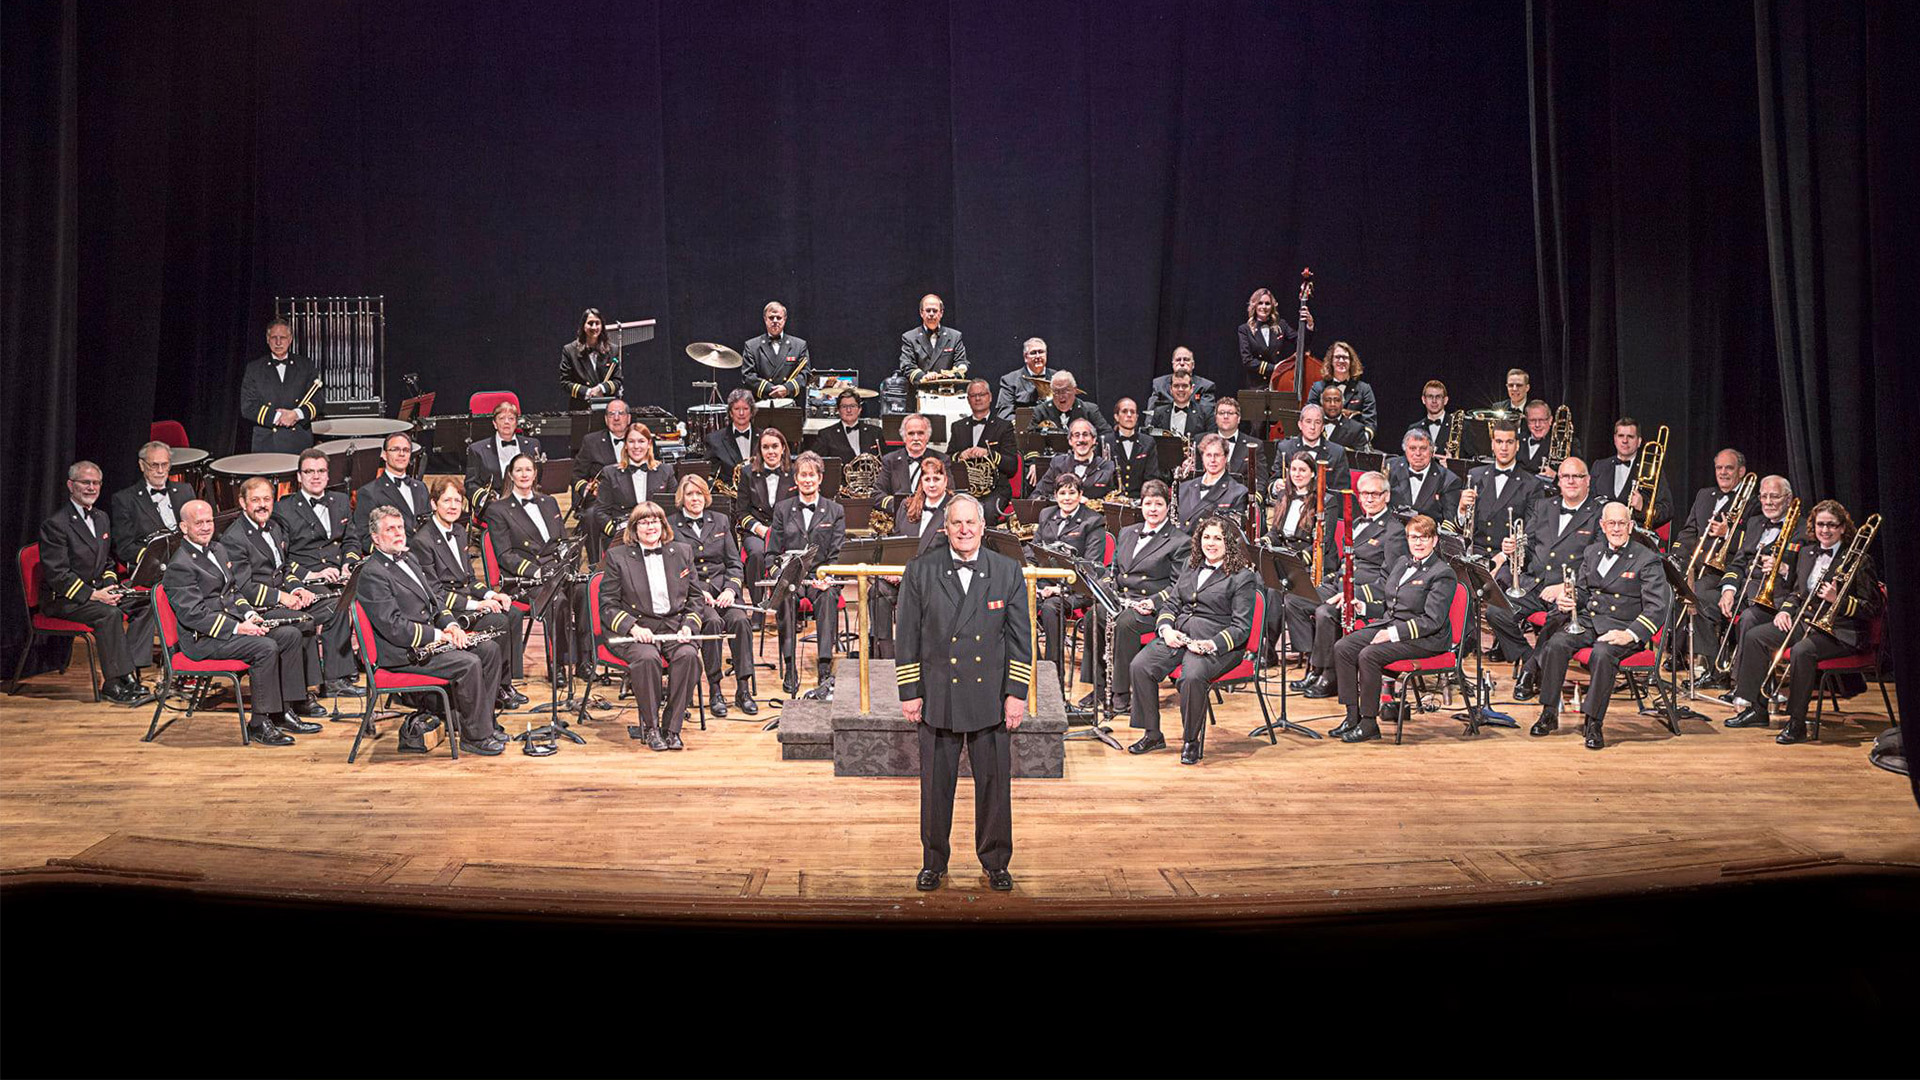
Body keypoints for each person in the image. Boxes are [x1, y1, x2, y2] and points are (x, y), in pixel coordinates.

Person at [896, 493, 1029, 891]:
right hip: (939, 694)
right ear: (946, 528)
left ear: (983, 527)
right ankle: (933, 861)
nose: (965, 529)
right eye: (957, 523)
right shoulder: (921, 570)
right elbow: (907, 636)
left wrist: (1017, 693)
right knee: (935, 788)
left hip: (991, 695)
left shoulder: (1007, 570)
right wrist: (909, 690)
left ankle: (996, 862)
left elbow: (1021, 640)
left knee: (994, 786)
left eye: (971, 523)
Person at [358, 504, 510, 755]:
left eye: (400, 527)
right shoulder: (372, 573)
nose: (398, 533)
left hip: (428, 641)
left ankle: (484, 722)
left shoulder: (408, 558)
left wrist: (451, 625)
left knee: (490, 650)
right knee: (469, 663)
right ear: (375, 538)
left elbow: (435, 600)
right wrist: (440, 635)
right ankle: (475, 737)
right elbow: (395, 627)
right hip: (403, 652)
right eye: (390, 529)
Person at [1726, 500, 1881, 744]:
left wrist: (1838, 600)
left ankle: (1796, 723)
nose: (1825, 530)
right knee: (1755, 636)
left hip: (1840, 631)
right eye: (1820, 524)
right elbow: (1797, 593)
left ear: (1843, 528)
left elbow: (1873, 607)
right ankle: (1757, 709)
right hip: (1806, 622)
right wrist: (1786, 611)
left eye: (1831, 525)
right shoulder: (1807, 553)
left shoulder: (1858, 560)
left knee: (1802, 651)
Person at [161, 500, 316, 744]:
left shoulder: (218, 549)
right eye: (199, 523)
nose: (206, 527)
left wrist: (249, 615)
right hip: (204, 639)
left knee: (290, 635)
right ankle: (259, 723)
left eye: (209, 521)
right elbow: (194, 615)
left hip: (231, 625)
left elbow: (233, 592)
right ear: (183, 527)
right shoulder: (180, 565)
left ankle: (284, 711)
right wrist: (238, 627)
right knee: (265, 647)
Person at [1526, 502, 1672, 750]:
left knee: (1602, 654)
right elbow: (1584, 592)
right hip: (1591, 621)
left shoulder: (1647, 559)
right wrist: (1569, 599)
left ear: (1631, 526)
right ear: (1602, 526)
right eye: (1611, 523)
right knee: (1556, 644)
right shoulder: (1592, 552)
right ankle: (1549, 712)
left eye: (1622, 523)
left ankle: (1593, 722)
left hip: (1622, 627)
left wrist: (1630, 634)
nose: (1616, 529)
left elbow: (1657, 607)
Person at [1126, 515, 1258, 763]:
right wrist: (1166, 629)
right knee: (1140, 666)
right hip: (1180, 635)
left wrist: (1211, 644)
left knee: (1192, 677)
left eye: (1218, 538)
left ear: (1228, 543)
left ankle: (1191, 740)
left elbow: (1241, 627)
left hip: (1217, 644)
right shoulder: (1191, 564)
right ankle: (1152, 734)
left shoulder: (1242, 577)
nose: (1211, 543)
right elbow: (1172, 603)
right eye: (1206, 537)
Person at [1327, 513, 1460, 744]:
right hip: (1393, 625)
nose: (1418, 543)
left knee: (1369, 655)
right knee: (1344, 647)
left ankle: (1369, 723)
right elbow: (1391, 605)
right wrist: (1363, 607)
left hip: (1426, 639)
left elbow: (1432, 621)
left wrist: (1392, 634)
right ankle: (1352, 716)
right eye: (1413, 537)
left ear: (1435, 540)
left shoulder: (1442, 573)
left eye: (1424, 538)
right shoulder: (1401, 563)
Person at [37, 461, 154, 705]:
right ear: (71, 485)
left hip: (98, 592)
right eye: (85, 482)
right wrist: (94, 594)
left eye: (96, 483)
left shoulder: (101, 518)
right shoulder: (56, 524)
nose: (91, 487)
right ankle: (113, 683)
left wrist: (111, 587)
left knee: (144, 604)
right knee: (109, 615)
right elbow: (58, 575)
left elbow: (107, 561)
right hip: (65, 599)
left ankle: (128, 672)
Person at [217, 476, 334, 714]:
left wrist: (297, 589)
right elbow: (243, 587)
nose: (262, 505)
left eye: (267, 499)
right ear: (243, 503)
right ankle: (299, 697)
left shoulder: (274, 527)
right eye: (255, 500)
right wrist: (282, 597)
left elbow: (283, 569)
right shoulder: (234, 538)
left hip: (281, 596)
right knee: (304, 621)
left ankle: (327, 680)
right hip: (256, 607)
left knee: (331, 605)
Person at [1289, 470, 1408, 698]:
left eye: (1375, 494)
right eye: (1364, 494)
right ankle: (1315, 666)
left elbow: (1390, 580)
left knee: (1325, 612)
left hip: (1365, 594)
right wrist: (1330, 581)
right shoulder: (1357, 523)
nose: (1369, 499)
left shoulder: (1393, 531)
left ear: (1386, 496)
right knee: (1296, 599)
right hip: (1341, 585)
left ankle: (1330, 675)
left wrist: (1354, 594)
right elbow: (1344, 563)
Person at [413, 477, 528, 704]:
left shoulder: (458, 531)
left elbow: (470, 579)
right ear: (434, 503)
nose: (453, 506)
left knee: (512, 612)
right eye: (447, 500)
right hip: (445, 611)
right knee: (499, 620)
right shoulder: (423, 540)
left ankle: (505, 682)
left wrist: (492, 595)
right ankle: (494, 688)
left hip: (464, 601)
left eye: (457, 501)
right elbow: (435, 594)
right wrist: (478, 604)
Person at [599, 503, 704, 751]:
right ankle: (651, 727)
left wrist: (689, 626)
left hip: (674, 626)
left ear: (663, 525)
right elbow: (608, 605)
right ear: (634, 528)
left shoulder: (682, 551)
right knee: (647, 659)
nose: (650, 526)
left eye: (655, 521)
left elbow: (695, 598)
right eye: (644, 522)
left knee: (689, 656)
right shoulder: (617, 557)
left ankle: (672, 727)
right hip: (638, 628)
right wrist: (633, 628)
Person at [1082, 480, 1189, 716]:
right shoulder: (1127, 532)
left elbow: (1179, 586)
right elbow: (1114, 571)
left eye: (1158, 504)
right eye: (1148, 503)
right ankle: (1099, 686)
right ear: (1141, 505)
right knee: (1093, 616)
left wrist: (1153, 602)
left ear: (1168, 506)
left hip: (1154, 608)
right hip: (1123, 600)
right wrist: (1106, 586)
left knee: (1125, 623)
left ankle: (1121, 692)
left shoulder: (1180, 541)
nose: (1153, 509)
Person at [1496, 457, 1603, 683]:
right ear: (1559, 480)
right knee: (1496, 612)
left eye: (1577, 476)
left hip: (1570, 590)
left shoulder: (1598, 514)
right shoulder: (1543, 506)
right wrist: (1513, 549)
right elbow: (1529, 546)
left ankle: (1529, 673)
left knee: (1557, 619)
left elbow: (1596, 563)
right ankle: (1531, 661)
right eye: (1565, 476)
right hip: (1535, 585)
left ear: (1587, 480)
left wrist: (1564, 586)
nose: (1571, 481)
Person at [483, 453, 582, 680]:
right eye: (519, 470)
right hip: (527, 580)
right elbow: (505, 556)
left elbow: (562, 541)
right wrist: (536, 571)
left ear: (535, 473)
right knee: (557, 600)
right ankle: (558, 665)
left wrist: (568, 565)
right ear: (510, 475)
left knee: (584, 592)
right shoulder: (498, 509)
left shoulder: (549, 502)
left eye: (528, 469)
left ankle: (584, 663)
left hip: (557, 570)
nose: (524, 474)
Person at [667, 474, 754, 717]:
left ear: (706, 496)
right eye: (689, 494)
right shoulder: (671, 525)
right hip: (695, 595)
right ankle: (715, 689)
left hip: (724, 590)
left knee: (740, 621)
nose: (695, 498)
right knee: (712, 623)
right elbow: (673, 569)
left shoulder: (720, 520)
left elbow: (734, 563)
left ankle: (743, 689)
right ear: (681, 498)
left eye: (699, 493)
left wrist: (730, 589)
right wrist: (697, 591)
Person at [1702, 475, 1795, 689]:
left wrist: (1784, 569)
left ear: (1788, 499)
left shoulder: (1801, 528)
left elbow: (1804, 573)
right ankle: (1717, 672)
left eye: (1774, 496)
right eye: (1764, 496)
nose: (1768, 502)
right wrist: (1728, 591)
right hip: (1744, 591)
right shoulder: (1755, 522)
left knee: (1749, 618)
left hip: (1776, 598)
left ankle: (1743, 686)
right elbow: (1738, 563)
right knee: (1702, 600)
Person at [770, 452, 846, 698]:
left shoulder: (835, 510)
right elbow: (772, 554)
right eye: (803, 475)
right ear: (796, 479)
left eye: (812, 475)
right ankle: (790, 665)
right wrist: (783, 577)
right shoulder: (782, 509)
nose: (807, 480)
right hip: (791, 576)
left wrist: (828, 578)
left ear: (820, 478)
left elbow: (837, 554)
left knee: (828, 598)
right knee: (785, 598)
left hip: (820, 577)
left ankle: (824, 665)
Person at [868, 458, 953, 658]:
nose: (931, 484)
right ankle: (885, 655)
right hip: (903, 578)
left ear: (945, 480)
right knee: (876, 591)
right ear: (921, 481)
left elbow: (953, 554)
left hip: (936, 580)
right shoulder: (907, 506)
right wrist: (892, 570)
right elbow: (897, 544)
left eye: (936, 478)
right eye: (927, 479)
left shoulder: (954, 508)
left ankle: (922, 654)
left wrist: (909, 573)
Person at [1030, 473, 1107, 681]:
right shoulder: (1046, 514)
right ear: (1055, 495)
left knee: (1050, 608)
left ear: (1080, 495)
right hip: (1045, 583)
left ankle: (1053, 676)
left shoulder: (1093, 521)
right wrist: (1031, 576)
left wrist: (1058, 589)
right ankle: (1034, 667)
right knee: (1018, 600)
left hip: (1078, 588)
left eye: (1072, 493)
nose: (1067, 498)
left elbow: (1090, 567)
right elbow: (1033, 551)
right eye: (1062, 493)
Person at [591, 425, 676, 559]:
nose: (636, 446)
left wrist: (661, 531)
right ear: (625, 445)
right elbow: (600, 511)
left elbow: (674, 507)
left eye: (641, 441)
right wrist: (619, 533)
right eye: (631, 441)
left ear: (649, 444)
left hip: (657, 535)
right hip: (623, 537)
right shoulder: (610, 473)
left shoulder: (665, 471)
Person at [1455, 420, 1535, 559]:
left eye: (1509, 442)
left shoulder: (1532, 484)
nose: (1504, 448)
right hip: (1475, 555)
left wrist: (1505, 555)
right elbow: (1462, 530)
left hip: (1507, 560)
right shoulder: (1475, 476)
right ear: (1492, 445)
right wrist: (1461, 509)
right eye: (1499, 441)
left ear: (1517, 445)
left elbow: (1531, 534)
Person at [240, 318, 321, 453]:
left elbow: (318, 400)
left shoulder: (305, 365)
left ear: (290, 339)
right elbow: (247, 406)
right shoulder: (254, 369)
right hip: (267, 443)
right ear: (267, 339)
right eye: (274, 338)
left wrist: (296, 414)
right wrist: (278, 417)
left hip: (298, 440)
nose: (278, 342)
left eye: (282, 338)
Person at [737, 427, 796, 609]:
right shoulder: (747, 473)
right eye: (765, 447)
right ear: (760, 450)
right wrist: (760, 529)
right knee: (756, 554)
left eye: (775, 446)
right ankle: (758, 608)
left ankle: (787, 609)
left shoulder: (795, 473)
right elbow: (741, 512)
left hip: (786, 531)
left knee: (793, 554)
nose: (770, 451)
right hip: (758, 530)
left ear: (783, 448)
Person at [110, 442, 194, 567]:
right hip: (155, 566)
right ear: (142, 465)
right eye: (154, 465)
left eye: (164, 464)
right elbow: (125, 547)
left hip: (189, 560)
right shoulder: (125, 499)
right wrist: (157, 558)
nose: (160, 471)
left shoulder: (185, 491)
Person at [946, 378, 1017, 521]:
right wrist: (960, 455)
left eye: (982, 394)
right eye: (973, 395)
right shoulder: (958, 427)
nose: (977, 398)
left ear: (990, 397)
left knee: (985, 513)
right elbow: (947, 460)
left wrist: (988, 454)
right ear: (968, 399)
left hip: (995, 490)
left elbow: (1011, 466)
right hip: (964, 489)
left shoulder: (1004, 427)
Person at [352, 432, 432, 554]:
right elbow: (364, 536)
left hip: (425, 555)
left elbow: (428, 525)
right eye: (395, 449)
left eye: (406, 450)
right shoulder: (368, 492)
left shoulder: (421, 487)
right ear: (384, 455)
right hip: (393, 558)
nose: (401, 454)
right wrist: (395, 552)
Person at [1592, 416, 1673, 530]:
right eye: (1621, 436)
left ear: (1639, 441)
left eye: (1630, 436)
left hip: (1634, 535)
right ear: (1615, 439)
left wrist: (1642, 507)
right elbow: (1587, 504)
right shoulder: (1599, 466)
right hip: (1600, 532)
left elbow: (1667, 510)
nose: (1625, 441)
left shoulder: (1651, 470)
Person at [464, 400, 542, 508]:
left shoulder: (533, 445)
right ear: (494, 424)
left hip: (526, 503)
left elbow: (538, 479)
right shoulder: (477, 450)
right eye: (501, 418)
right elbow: (470, 484)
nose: (506, 422)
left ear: (516, 423)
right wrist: (489, 502)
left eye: (511, 418)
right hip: (493, 506)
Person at [1236, 286, 1313, 387]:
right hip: (1256, 385)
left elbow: (1301, 344)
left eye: (1267, 303)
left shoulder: (1281, 325)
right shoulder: (1245, 329)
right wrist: (1274, 368)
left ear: (1272, 306)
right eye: (1260, 303)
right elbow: (1248, 361)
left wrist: (1309, 325)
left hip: (1278, 382)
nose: (1264, 307)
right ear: (1254, 305)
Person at [1305, 341, 1377, 445]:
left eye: (1345, 358)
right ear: (1331, 361)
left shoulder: (1364, 389)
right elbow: (1310, 415)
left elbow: (1370, 422)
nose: (1341, 361)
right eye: (1337, 357)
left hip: (1354, 445)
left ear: (1351, 362)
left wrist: (1360, 440)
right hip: (1324, 443)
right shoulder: (1318, 388)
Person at [1175, 434, 1250, 533]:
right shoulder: (1183, 488)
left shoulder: (1238, 492)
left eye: (1217, 455)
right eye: (1208, 455)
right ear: (1202, 457)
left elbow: (1232, 532)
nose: (1212, 460)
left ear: (1226, 457)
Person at [1388, 429, 1462, 522]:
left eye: (1423, 449)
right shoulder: (1390, 467)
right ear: (1405, 450)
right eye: (1412, 448)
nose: (1418, 453)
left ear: (1432, 451)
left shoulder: (1449, 480)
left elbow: (1449, 521)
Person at [1033, 418, 1116, 502]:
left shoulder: (1108, 467)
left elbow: (1117, 499)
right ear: (1070, 441)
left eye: (1085, 434)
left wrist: (1090, 503)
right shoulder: (1057, 464)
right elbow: (1037, 495)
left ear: (1094, 439)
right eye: (1076, 435)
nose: (1081, 439)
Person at [1269, 404, 1350, 488]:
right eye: (1308, 421)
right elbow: (1272, 481)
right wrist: (1276, 485)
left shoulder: (1337, 452)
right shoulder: (1285, 448)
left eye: (1317, 422)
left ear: (1322, 427)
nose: (1312, 427)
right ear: (1300, 425)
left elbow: (1342, 489)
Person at [877, 414, 946, 511]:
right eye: (911, 434)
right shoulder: (890, 460)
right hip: (899, 515)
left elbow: (948, 492)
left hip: (931, 515)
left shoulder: (942, 460)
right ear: (904, 437)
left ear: (927, 436)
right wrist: (899, 506)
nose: (916, 438)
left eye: (920, 433)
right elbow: (877, 494)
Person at [742, 300, 809, 401]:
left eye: (779, 318)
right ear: (765, 319)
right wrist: (771, 390)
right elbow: (748, 376)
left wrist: (787, 388)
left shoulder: (799, 345)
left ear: (784, 319)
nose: (775, 321)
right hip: (762, 402)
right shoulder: (751, 346)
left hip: (790, 402)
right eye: (771, 318)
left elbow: (805, 374)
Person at [896, 293, 968, 388]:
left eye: (935, 311)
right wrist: (924, 376)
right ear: (921, 313)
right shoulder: (909, 337)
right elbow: (907, 365)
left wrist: (953, 374)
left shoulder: (955, 336)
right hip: (920, 391)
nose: (931, 314)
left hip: (946, 391)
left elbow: (961, 362)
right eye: (928, 310)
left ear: (941, 313)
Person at [1102, 398, 1161, 500]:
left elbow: (1151, 477)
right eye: (1124, 411)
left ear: (1137, 417)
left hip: (1139, 501)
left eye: (1132, 412)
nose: (1129, 415)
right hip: (1113, 501)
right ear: (1116, 416)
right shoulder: (1106, 441)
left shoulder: (1148, 442)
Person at [560, 307, 621, 405]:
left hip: (606, 405)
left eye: (597, 323)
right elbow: (565, 382)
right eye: (590, 323)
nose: (594, 327)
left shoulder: (613, 349)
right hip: (580, 406)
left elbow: (617, 380)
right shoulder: (569, 350)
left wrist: (601, 388)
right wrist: (588, 392)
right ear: (583, 326)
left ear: (602, 326)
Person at [572, 399, 633, 495]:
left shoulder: (641, 441)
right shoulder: (591, 442)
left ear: (628, 418)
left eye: (621, 413)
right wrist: (586, 488)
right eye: (611, 414)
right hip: (602, 499)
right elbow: (576, 476)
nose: (616, 418)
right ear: (606, 419)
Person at [1209, 397, 1266, 498]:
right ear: (1216, 418)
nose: (1225, 416)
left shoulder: (1255, 445)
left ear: (1238, 418)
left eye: (1230, 413)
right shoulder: (1203, 441)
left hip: (1240, 501)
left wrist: (1250, 501)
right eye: (1221, 413)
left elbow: (1261, 481)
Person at [1030, 370, 1111, 438]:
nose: (1061, 396)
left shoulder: (1089, 410)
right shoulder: (1040, 411)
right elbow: (1029, 438)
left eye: (1065, 391)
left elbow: (1107, 434)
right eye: (1056, 392)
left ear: (1075, 390)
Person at [1146, 346, 1219, 420]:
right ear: (1173, 364)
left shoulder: (1205, 386)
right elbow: (1150, 414)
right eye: (1178, 360)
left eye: (1186, 360)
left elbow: (1206, 416)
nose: (1182, 363)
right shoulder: (1159, 384)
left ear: (1193, 364)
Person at [993, 338, 1054, 420]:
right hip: (1023, 427)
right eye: (1033, 353)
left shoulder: (1058, 377)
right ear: (1025, 357)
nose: (1038, 356)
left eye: (1041, 352)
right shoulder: (1010, 380)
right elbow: (1004, 414)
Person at [812, 389, 880, 464]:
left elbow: (885, 462)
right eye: (844, 406)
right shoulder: (825, 435)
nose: (848, 410)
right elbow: (815, 464)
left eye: (852, 406)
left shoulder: (875, 432)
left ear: (859, 409)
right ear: (838, 410)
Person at [705, 389, 759, 474]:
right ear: (730, 413)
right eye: (737, 409)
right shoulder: (714, 440)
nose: (741, 413)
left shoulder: (764, 437)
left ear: (752, 412)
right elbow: (710, 474)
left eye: (745, 408)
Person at [1147, 371, 1204, 438]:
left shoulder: (1205, 413)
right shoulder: (1159, 412)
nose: (1180, 389)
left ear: (1192, 389)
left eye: (1184, 386)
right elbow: (1152, 439)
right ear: (1171, 389)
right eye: (1176, 386)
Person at [1318, 385, 1370, 453]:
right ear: (1321, 403)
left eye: (1337, 400)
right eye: (1328, 400)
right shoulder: (1312, 425)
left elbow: (1360, 458)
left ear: (1343, 403)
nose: (1332, 404)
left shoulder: (1356, 429)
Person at [1517, 399, 1557, 479]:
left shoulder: (1563, 443)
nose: (1537, 425)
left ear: (1550, 420)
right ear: (1527, 421)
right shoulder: (1516, 439)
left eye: (1542, 420)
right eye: (1532, 420)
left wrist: (1556, 475)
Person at [1407, 380, 1452, 449]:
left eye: (1438, 397)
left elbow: (1470, 455)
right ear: (1423, 399)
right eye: (1430, 396)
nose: (1434, 401)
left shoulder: (1459, 427)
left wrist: (1451, 457)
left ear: (1445, 400)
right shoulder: (1414, 429)